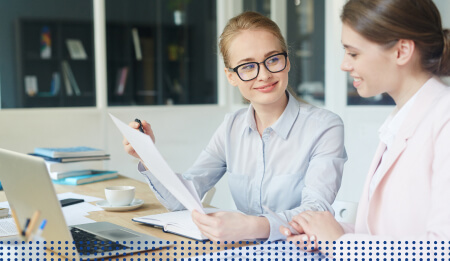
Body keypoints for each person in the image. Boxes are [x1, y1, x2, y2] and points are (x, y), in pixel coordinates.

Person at [123, 11, 347, 242]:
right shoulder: (231, 126)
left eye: (273, 60)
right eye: (248, 66)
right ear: (231, 77)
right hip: (242, 253)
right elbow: (181, 199)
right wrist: (148, 156)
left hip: (299, 257)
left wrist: (252, 226)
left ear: (287, 61)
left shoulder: (325, 127)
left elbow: (316, 212)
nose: (264, 75)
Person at [281, 0, 450, 261]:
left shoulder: (443, 120)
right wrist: (331, 233)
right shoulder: (401, 120)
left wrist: (340, 244)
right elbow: (392, 234)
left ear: (401, 50)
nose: (344, 65)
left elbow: (441, 257)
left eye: (353, 53)